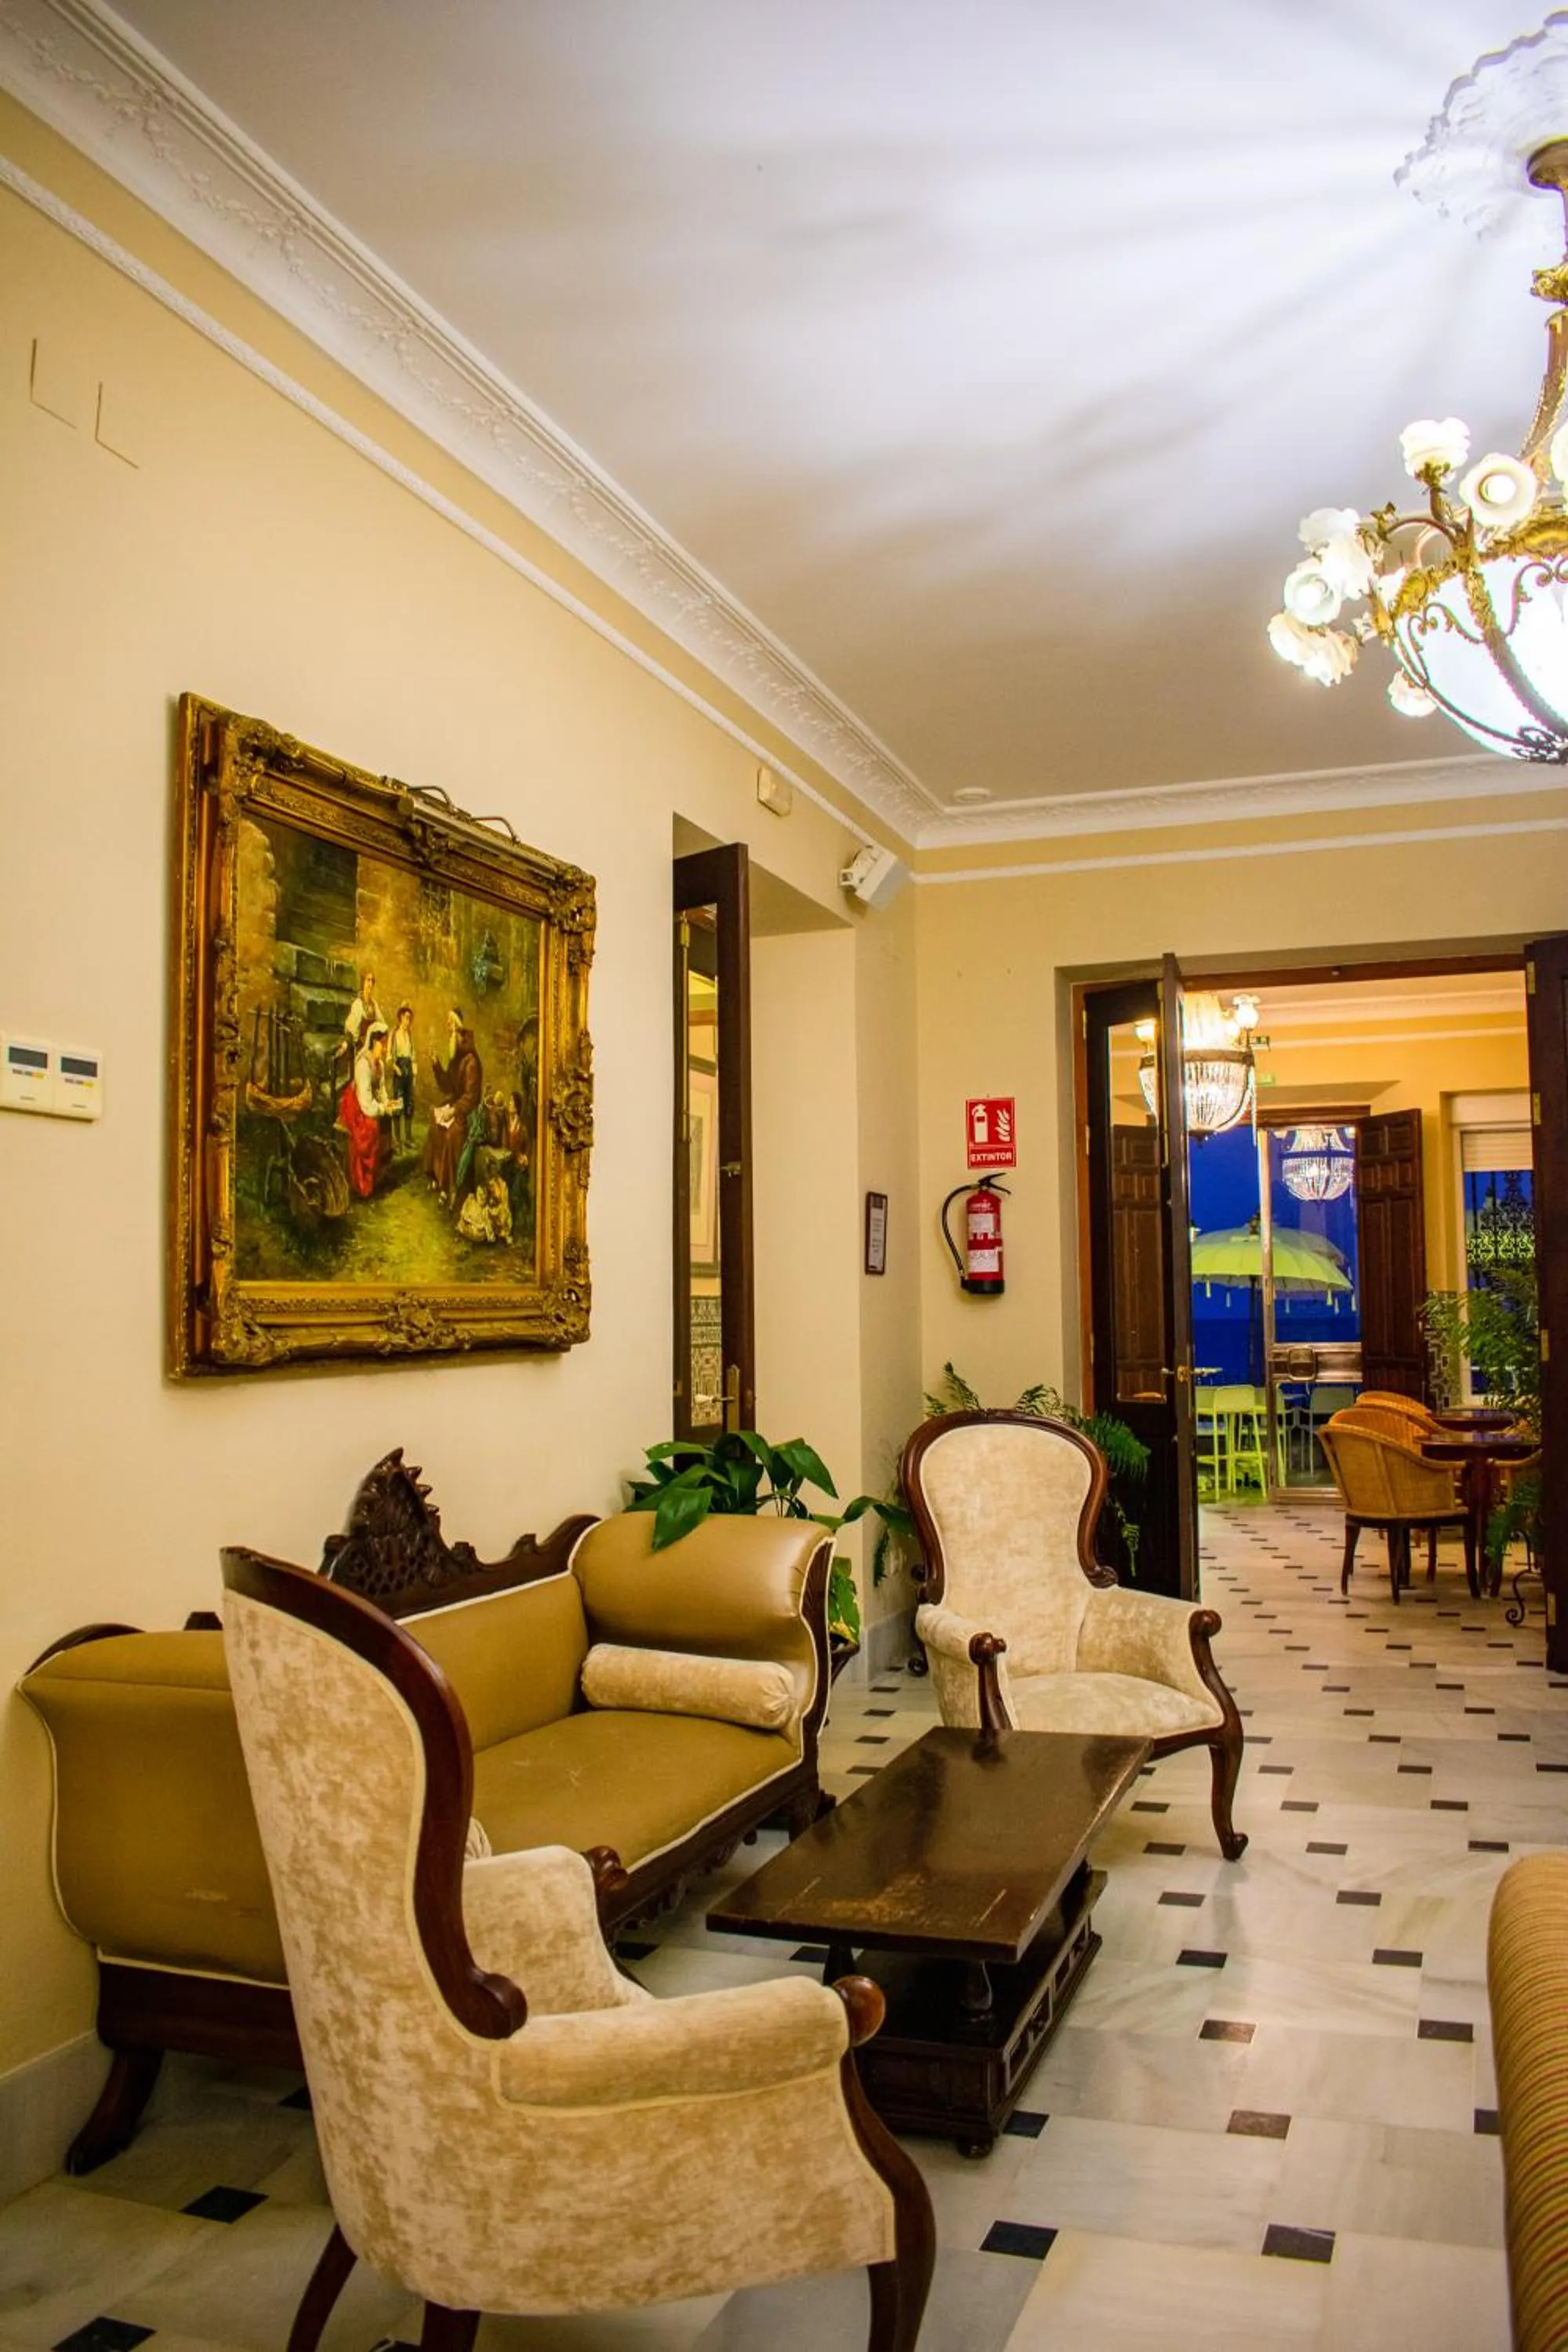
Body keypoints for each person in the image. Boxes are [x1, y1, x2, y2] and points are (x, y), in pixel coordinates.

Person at [422, 1007, 482, 1207]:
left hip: (467, 1113)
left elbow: (471, 1097)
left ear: (457, 1028)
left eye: (449, 1024)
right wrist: (436, 1065)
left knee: (451, 1135)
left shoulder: (470, 1060)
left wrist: (453, 1110)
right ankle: (435, 1177)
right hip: (456, 1105)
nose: (447, 1028)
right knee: (435, 1122)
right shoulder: (456, 1056)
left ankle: (449, 1188)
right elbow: (448, 1085)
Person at [339, 1020, 392, 1200]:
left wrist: (388, 1103)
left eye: (386, 1045)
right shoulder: (363, 1065)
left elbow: (381, 1090)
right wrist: (382, 1108)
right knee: (370, 1128)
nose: (385, 1049)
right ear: (373, 1043)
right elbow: (365, 1103)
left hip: (369, 1104)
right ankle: (363, 1182)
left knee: (386, 1122)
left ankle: (378, 1174)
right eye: (382, 1045)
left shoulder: (380, 1065)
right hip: (355, 1106)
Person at [389, 1004, 417, 1148]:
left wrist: (414, 1075)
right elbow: (389, 1057)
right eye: (406, 1018)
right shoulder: (394, 1034)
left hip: (409, 1072)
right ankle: (398, 1140)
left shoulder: (409, 1034)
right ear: (401, 1018)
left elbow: (413, 1055)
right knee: (398, 1105)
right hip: (399, 1071)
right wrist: (396, 1068)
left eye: (410, 1019)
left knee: (409, 1104)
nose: (408, 1021)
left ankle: (408, 1138)